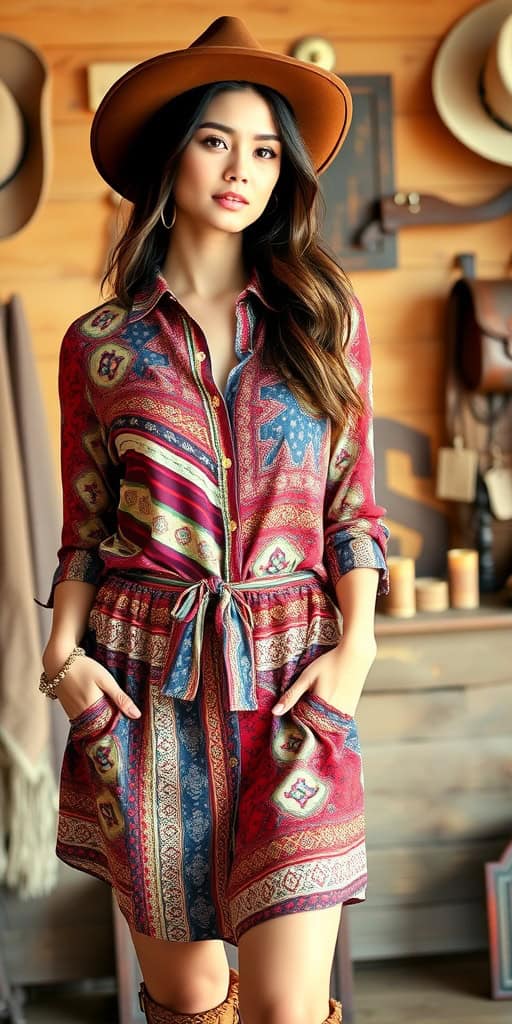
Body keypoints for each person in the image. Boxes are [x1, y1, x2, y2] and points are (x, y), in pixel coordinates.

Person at [40, 16, 389, 1024]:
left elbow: (352, 506)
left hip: (292, 681)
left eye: (267, 149)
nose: (244, 168)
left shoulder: (324, 318)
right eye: (216, 140)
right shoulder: (101, 344)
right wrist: (64, 661)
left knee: (287, 1005)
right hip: (145, 684)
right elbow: (87, 525)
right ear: (171, 156)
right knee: (187, 995)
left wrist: (356, 649)